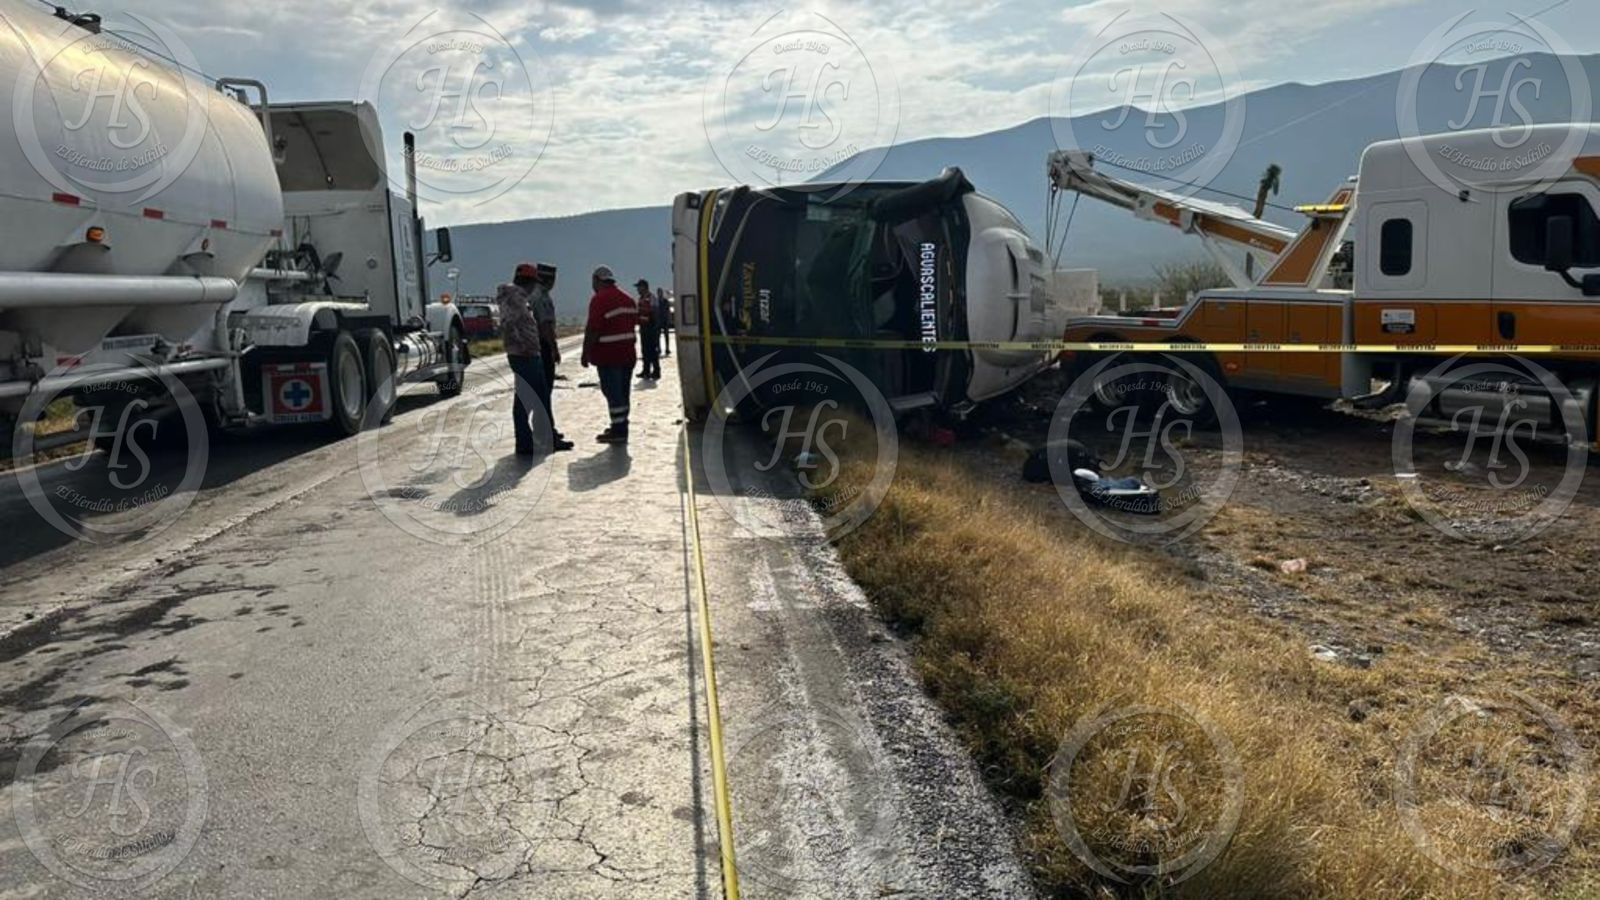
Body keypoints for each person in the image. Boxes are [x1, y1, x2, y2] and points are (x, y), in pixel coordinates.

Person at [496, 264, 557, 455]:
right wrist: (528, 346)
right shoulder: (515, 299)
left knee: (526, 399)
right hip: (525, 355)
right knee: (537, 397)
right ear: (528, 282)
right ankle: (542, 440)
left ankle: (527, 442)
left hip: (524, 354)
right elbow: (514, 325)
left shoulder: (516, 297)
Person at [581, 265, 637, 443]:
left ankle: (619, 431)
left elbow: (593, 329)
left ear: (597, 280)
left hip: (609, 355)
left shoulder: (599, 299)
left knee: (613, 394)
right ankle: (620, 425)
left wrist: (586, 352)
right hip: (628, 354)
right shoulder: (628, 299)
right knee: (623, 392)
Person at [528, 263, 573, 451]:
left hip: (533, 348)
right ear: (549, 279)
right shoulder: (542, 296)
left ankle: (540, 431)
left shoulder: (532, 294)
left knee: (539, 393)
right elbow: (546, 326)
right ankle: (548, 435)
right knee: (544, 393)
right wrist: (554, 348)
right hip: (543, 347)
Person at [635, 278, 661, 380]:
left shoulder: (652, 298)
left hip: (651, 328)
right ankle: (646, 371)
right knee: (645, 350)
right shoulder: (641, 298)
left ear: (644, 287)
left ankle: (656, 371)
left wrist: (655, 327)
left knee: (653, 351)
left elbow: (655, 313)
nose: (637, 289)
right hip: (643, 328)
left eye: (639, 287)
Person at [657, 288, 672, 357]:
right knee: (658, 336)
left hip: (665, 320)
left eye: (660, 292)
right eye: (658, 292)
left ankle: (667, 348)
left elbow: (668, 310)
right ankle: (659, 349)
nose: (659, 294)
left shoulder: (665, 301)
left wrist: (669, 319)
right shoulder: (657, 301)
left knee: (666, 336)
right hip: (659, 320)